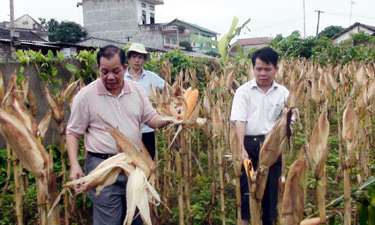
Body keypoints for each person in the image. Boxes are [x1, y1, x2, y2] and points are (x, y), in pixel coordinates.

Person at [66, 45, 167, 225]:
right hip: (103, 166)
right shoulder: (86, 95)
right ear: (98, 69)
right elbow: (73, 132)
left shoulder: (136, 90)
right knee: (108, 220)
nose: (110, 77)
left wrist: (171, 118)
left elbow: (151, 118)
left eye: (116, 71)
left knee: (136, 218)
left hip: (135, 164)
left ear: (125, 68)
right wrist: (74, 164)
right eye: (104, 72)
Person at [230, 47, 289, 225]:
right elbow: (239, 120)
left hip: (272, 146)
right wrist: (241, 149)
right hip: (249, 144)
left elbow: (287, 123)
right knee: (246, 197)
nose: (262, 73)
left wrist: (277, 145)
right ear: (253, 68)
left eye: (267, 69)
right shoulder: (243, 92)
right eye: (259, 69)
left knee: (270, 197)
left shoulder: (284, 93)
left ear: (276, 69)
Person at [124, 43, 167, 160]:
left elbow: (170, 90)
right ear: (129, 58)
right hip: (126, 131)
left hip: (148, 130)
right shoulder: (121, 78)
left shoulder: (151, 77)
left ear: (144, 60)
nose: (137, 60)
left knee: (148, 165)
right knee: (129, 166)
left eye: (140, 57)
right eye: (134, 56)